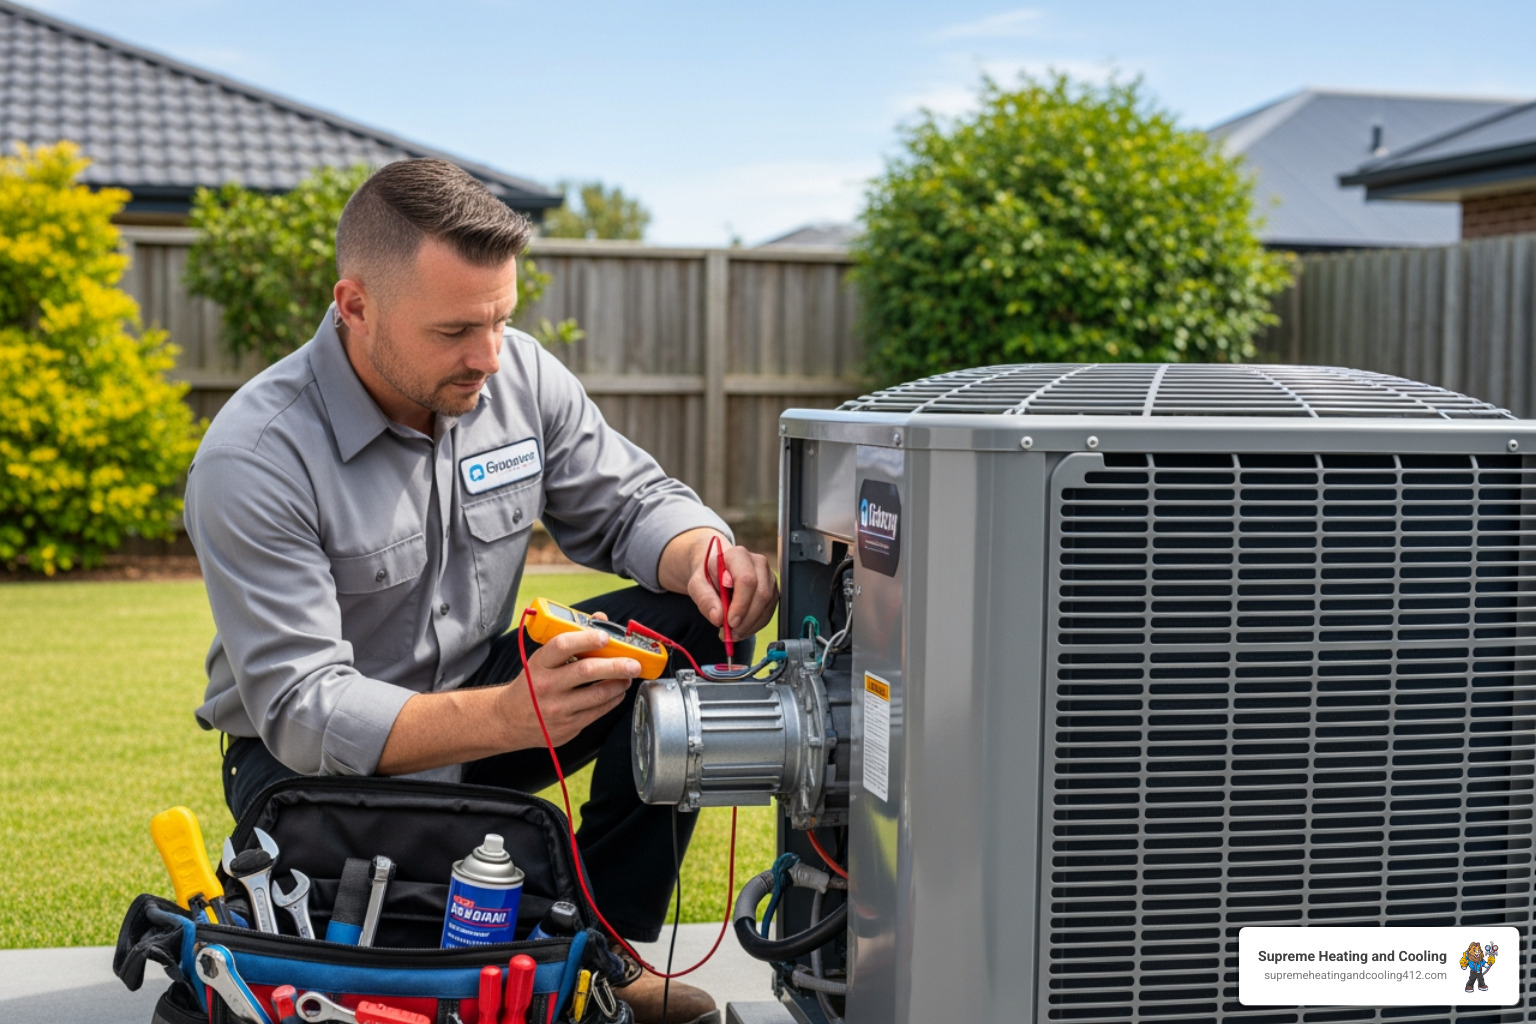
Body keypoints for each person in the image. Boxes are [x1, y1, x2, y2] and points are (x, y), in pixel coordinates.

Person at [184, 158, 776, 1024]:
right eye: (456, 329)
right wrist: (508, 715)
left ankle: (603, 948)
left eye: (501, 318)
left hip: (491, 697)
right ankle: (519, 943)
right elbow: (306, 709)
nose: (489, 356)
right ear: (355, 306)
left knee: (695, 618)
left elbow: (631, 504)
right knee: (413, 960)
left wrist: (703, 555)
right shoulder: (255, 456)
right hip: (307, 760)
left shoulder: (519, 377)